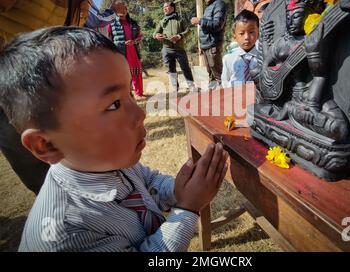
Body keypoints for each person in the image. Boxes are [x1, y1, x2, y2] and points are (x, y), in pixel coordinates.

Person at [0, 27, 229, 252]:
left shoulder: (109, 162)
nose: (141, 114)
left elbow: (149, 182)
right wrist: (188, 208)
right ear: (46, 145)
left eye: (129, 93)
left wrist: (181, 189)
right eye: (113, 105)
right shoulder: (64, 234)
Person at [0, 0, 95, 194]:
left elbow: (73, 33)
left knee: (87, 162)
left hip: (59, 89)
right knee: (47, 175)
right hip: (13, 96)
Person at [191, 0, 227, 90]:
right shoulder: (209, 7)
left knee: (218, 76)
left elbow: (217, 24)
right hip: (207, 45)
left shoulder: (219, 4)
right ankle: (213, 100)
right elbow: (206, 29)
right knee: (210, 75)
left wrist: (200, 21)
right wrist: (202, 46)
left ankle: (224, 101)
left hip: (213, 45)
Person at [154, 1, 196, 92]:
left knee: (185, 68)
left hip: (179, 49)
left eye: (166, 7)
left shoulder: (180, 19)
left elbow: (188, 31)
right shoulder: (162, 21)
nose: (164, 9)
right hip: (167, 49)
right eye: (163, 7)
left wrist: (179, 36)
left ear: (172, 8)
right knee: (171, 69)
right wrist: (157, 36)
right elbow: (155, 33)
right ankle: (174, 87)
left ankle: (191, 85)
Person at [107, 1, 144, 97]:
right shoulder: (111, 25)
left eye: (124, 9)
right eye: (120, 9)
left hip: (134, 53)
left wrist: (134, 42)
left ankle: (139, 93)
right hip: (120, 54)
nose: (123, 11)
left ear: (127, 10)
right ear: (115, 12)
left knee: (137, 74)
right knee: (124, 76)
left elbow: (140, 37)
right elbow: (108, 41)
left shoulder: (134, 23)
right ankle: (127, 95)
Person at [222, 10, 260, 88]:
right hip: (234, 97)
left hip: (257, 97)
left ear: (258, 34)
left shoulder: (263, 58)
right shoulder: (228, 58)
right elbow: (225, 82)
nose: (246, 37)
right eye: (242, 33)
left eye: (251, 32)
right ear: (234, 35)